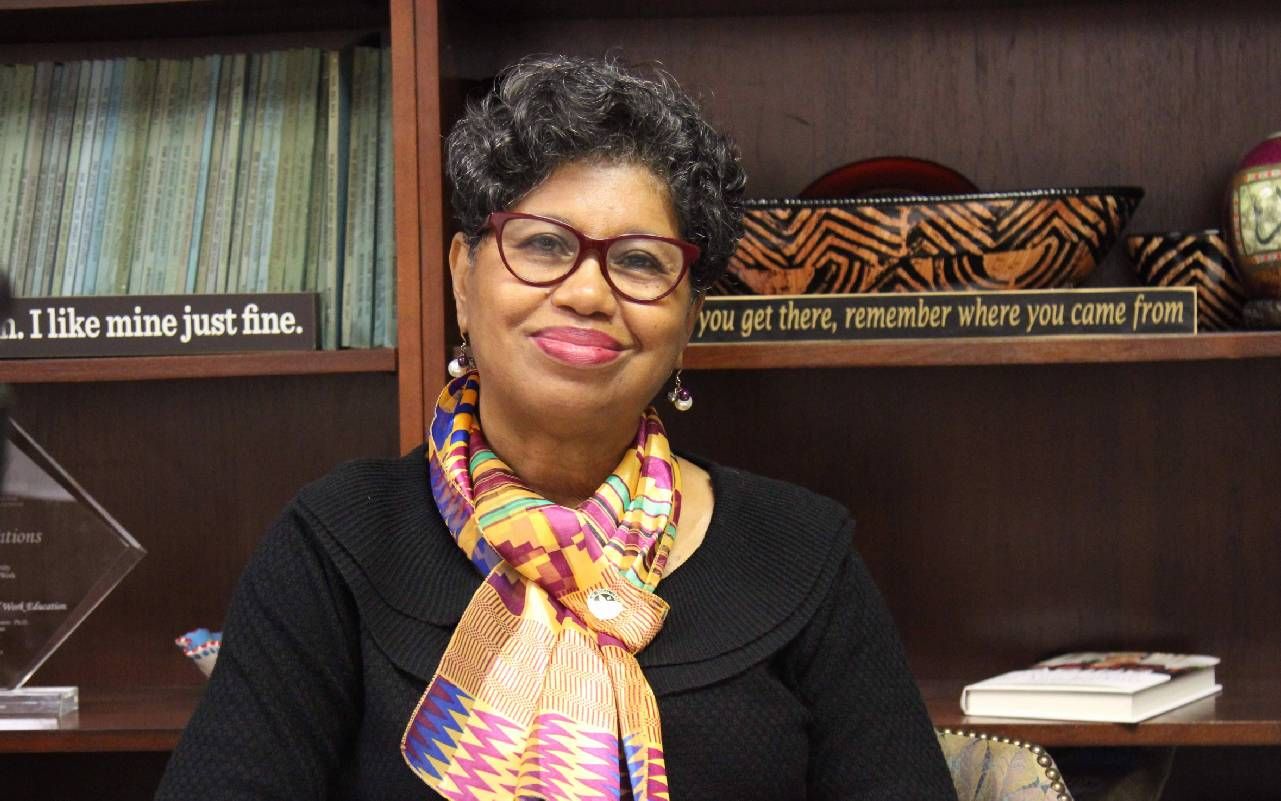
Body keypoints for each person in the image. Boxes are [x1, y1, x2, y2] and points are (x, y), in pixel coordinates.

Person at [156, 54, 956, 800]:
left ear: (688, 321)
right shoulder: (339, 542)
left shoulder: (802, 553)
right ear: (464, 280)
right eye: (542, 245)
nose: (586, 291)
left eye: (640, 260)